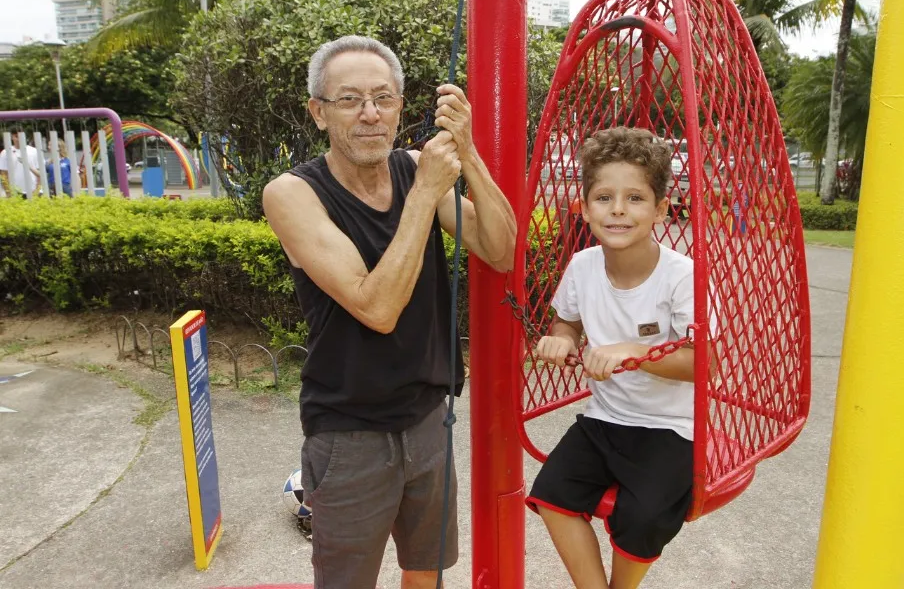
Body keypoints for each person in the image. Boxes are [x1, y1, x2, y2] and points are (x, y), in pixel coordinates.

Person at [262, 36, 516, 589]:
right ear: (318, 112)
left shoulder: (413, 167)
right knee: (347, 580)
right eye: (350, 99)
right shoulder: (292, 193)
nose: (370, 114)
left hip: (428, 416)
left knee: (426, 569)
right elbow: (376, 307)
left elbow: (500, 249)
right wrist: (424, 194)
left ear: (401, 105)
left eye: (384, 97)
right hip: (349, 430)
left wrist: (467, 154)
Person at [524, 126, 695, 589]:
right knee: (551, 495)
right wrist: (560, 338)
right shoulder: (583, 266)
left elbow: (703, 362)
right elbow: (568, 322)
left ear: (661, 209)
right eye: (604, 197)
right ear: (584, 207)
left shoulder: (682, 277)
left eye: (635, 198)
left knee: (642, 518)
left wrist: (636, 353)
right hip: (606, 418)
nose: (618, 209)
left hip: (670, 429)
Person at [0, 132, 41, 198]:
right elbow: (3, 174)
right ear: (12, 137)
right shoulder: (5, 152)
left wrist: (37, 190)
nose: (19, 139)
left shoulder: (34, 151)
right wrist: (8, 192)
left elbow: (40, 173)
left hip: (33, 190)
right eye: (16, 136)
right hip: (15, 191)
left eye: (21, 136)